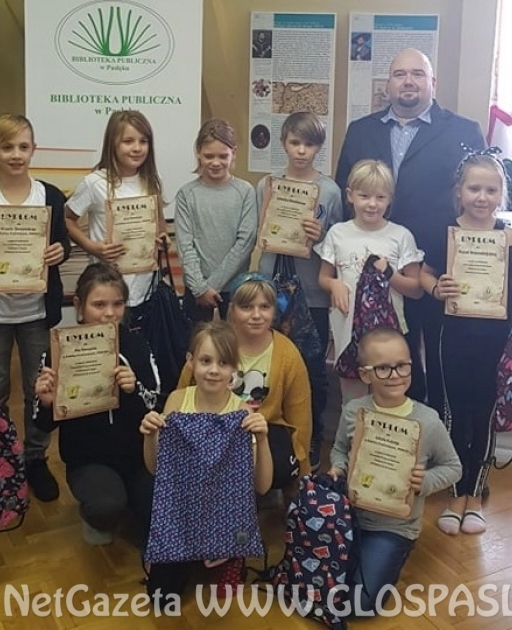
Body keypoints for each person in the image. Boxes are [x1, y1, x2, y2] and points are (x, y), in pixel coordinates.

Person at [420, 152, 512, 535]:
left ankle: (475, 494)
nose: (481, 197)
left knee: (484, 414)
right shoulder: (445, 232)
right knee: (453, 414)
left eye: (490, 190)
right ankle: (455, 493)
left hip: (495, 339)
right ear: (459, 191)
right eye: (474, 188)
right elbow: (425, 273)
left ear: (502, 194)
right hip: (451, 336)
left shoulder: (508, 236)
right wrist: (435, 288)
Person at [335, 47, 486, 410]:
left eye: (418, 74)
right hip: (373, 271)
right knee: (383, 356)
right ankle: (387, 428)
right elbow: (344, 193)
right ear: (387, 84)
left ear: (433, 82)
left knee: (437, 356)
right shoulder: (360, 131)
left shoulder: (463, 131)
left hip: (436, 266)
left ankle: (435, 428)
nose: (408, 81)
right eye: (400, 74)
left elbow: (480, 197)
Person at [0, 113, 71, 503]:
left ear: (33, 149)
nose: (16, 154)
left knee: (38, 388)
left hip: (36, 311)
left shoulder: (50, 196)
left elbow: (62, 242)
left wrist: (60, 251)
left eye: (23, 147)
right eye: (7, 147)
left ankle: (35, 458)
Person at [328, 328, 461, 614]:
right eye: (383, 368)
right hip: (347, 515)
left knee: (360, 604)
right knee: (317, 582)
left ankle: (394, 553)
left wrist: (426, 481)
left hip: (394, 527)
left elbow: (453, 467)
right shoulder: (354, 411)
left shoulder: (428, 420)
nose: (395, 375)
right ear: (365, 375)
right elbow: (339, 448)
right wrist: (338, 466)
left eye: (402, 365)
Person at [140, 321, 272, 597]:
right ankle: (197, 555)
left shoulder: (243, 413)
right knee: (161, 596)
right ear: (191, 361)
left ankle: (229, 555)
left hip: (225, 515)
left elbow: (262, 486)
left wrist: (262, 440)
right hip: (182, 514)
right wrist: (150, 436)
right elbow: (155, 469)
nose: (213, 370)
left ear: (234, 368)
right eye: (205, 361)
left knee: (226, 589)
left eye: (223, 363)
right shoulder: (177, 401)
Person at [33, 263, 160, 546]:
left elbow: (156, 403)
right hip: (88, 458)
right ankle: (98, 515)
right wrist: (46, 403)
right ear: (79, 306)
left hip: (137, 456)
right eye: (99, 304)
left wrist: (134, 388)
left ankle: (132, 506)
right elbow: (41, 424)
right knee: (106, 505)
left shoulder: (137, 345)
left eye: (118, 304)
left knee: (159, 508)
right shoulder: (58, 351)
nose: (109, 313)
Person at [257, 111, 342, 471]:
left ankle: (311, 440)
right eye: (295, 143)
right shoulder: (266, 185)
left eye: (309, 144)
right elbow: (258, 232)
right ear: (284, 143)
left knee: (311, 371)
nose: (302, 151)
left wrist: (319, 237)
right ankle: (271, 437)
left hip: (311, 293)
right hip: (270, 286)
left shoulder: (331, 191)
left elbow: (338, 246)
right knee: (270, 364)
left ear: (319, 147)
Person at [178, 273, 311, 482]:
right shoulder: (213, 342)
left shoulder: (287, 354)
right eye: (247, 307)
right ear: (232, 309)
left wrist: (302, 472)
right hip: (212, 425)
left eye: (264, 307)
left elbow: (300, 417)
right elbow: (183, 393)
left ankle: (262, 489)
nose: (256, 315)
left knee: (280, 465)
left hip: (262, 428)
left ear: (274, 310)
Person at [316, 160, 423, 405]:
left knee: (388, 396)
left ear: (390, 199)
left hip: (389, 336)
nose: (372, 204)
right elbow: (323, 277)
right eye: (364, 196)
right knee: (351, 401)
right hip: (347, 333)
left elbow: (416, 289)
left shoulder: (401, 236)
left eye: (380, 197)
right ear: (350, 195)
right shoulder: (337, 233)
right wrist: (334, 285)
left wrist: (389, 274)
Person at [64, 110, 165, 308]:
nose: (137, 148)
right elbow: (67, 219)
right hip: (108, 290)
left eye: (143, 141)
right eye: (128, 141)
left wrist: (162, 238)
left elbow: (159, 222)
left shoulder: (152, 180)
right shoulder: (94, 182)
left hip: (147, 289)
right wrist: (91, 246)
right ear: (113, 144)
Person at [175, 119, 258, 322]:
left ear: (234, 153)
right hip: (196, 290)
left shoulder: (245, 192)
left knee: (234, 341)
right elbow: (185, 245)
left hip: (235, 290)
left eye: (223, 156)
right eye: (208, 156)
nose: (215, 162)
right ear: (198, 153)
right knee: (197, 340)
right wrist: (200, 288)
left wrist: (212, 286)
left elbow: (245, 243)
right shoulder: (187, 194)